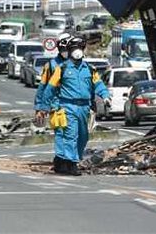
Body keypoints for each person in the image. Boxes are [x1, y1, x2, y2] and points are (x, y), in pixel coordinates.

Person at [42, 37, 111, 175]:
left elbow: (98, 85)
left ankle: (70, 159)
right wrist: (44, 106)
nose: (77, 51)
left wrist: (105, 96)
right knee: (70, 135)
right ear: (70, 50)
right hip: (68, 106)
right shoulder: (62, 68)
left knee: (83, 136)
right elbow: (50, 88)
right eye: (74, 48)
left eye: (80, 48)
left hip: (84, 108)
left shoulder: (90, 69)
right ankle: (71, 163)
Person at [34, 32, 72, 172]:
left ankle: (71, 159)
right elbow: (43, 87)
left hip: (74, 106)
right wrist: (40, 108)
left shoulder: (78, 64)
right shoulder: (51, 66)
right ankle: (61, 160)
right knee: (61, 132)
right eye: (63, 49)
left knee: (74, 134)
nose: (66, 52)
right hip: (56, 106)